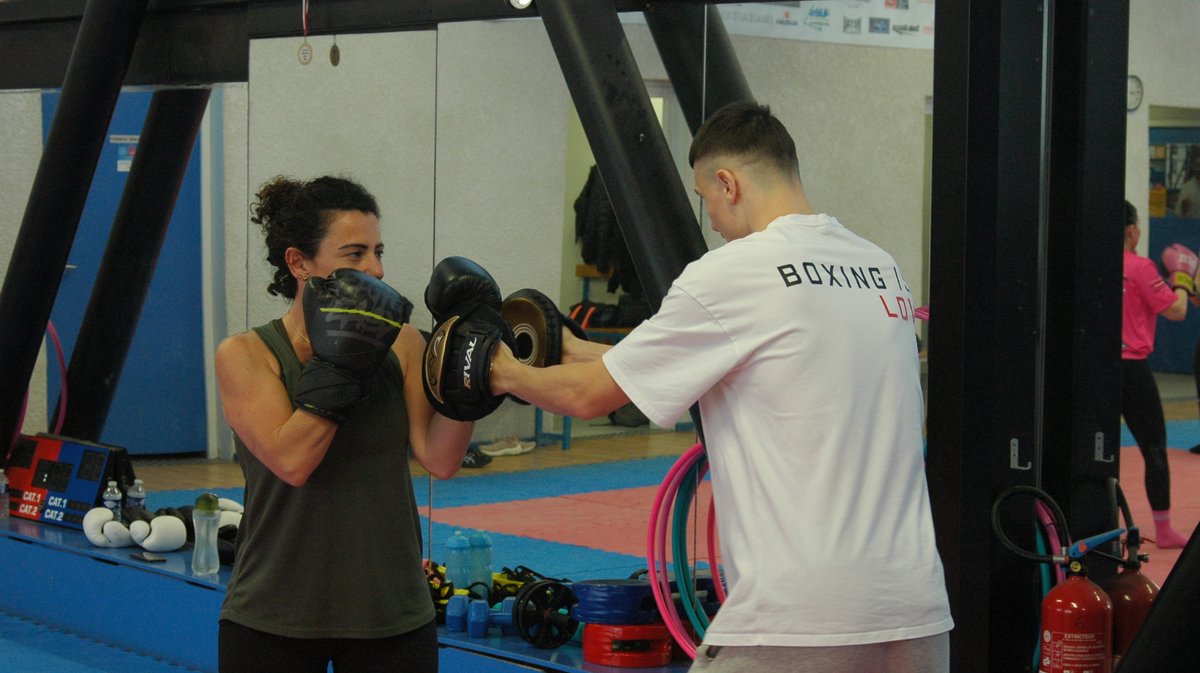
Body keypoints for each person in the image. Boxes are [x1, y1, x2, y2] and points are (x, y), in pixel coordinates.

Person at [489, 101, 953, 673]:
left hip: (799, 616)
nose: (710, 220)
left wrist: (499, 370)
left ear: (728, 183)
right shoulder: (879, 267)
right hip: (916, 609)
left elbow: (590, 398)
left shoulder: (735, 271)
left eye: (706, 198)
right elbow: (704, 360)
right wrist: (569, 346)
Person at [214, 175, 477, 673]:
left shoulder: (402, 344)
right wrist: (342, 364)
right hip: (275, 610)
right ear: (299, 262)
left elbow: (441, 460)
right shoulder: (245, 355)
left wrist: (470, 384)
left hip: (391, 609)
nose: (375, 268)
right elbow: (292, 461)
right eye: (354, 253)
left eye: (378, 251)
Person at [1121, 200, 1192, 549]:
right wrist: (1182, 279)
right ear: (1132, 231)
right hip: (1132, 369)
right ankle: (1163, 529)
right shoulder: (1140, 267)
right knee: (1153, 448)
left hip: (1095, 369)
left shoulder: (1089, 261)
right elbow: (1178, 311)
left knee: (1092, 446)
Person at [1174, 152, 1200, 219]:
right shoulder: (1187, 188)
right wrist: (1184, 209)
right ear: (1195, 167)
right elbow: (1179, 215)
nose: (1199, 169)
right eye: (1198, 165)